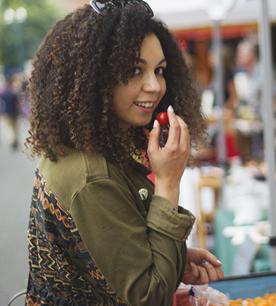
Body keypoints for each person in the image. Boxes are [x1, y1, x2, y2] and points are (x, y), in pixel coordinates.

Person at [24, 1, 223, 305]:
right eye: (134, 70)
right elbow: (149, 296)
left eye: (159, 70)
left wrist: (175, 262)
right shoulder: (92, 175)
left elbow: (107, 255)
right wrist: (168, 183)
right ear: (94, 76)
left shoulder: (86, 145)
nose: (154, 86)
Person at [0, 75, 20, 150]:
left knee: (10, 127)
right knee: (15, 127)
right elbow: (18, 104)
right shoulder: (14, 92)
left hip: (7, 112)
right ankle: (14, 140)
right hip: (15, 112)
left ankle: (13, 140)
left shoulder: (3, 93)